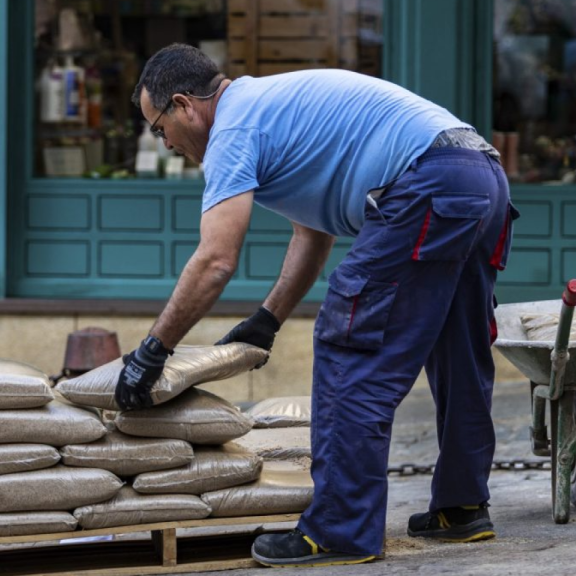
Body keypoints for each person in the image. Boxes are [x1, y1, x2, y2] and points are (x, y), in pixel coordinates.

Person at [116, 43, 517, 568]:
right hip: (479, 174)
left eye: (158, 126)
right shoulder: (271, 108)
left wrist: (152, 350)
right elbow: (315, 232)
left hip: (427, 182)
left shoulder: (233, 132)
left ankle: (340, 530)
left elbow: (215, 260)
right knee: (458, 347)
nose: (165, 142)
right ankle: (462, 507)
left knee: (348, 345)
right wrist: (267, 320)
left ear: (185, 104)